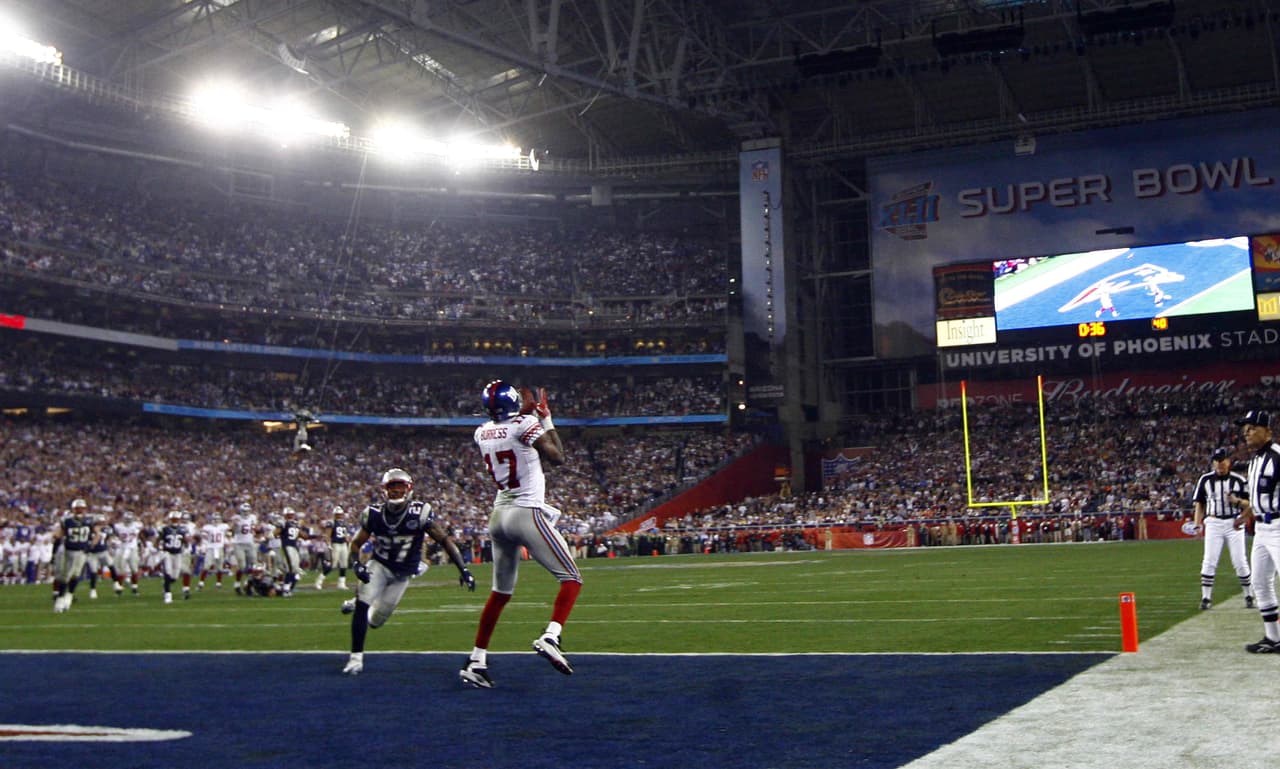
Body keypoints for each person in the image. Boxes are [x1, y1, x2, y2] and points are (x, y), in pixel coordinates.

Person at [459, 382, 583, 689]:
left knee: (500, 593)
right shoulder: (524, 425)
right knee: (571, 578)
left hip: (498, 515)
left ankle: (477, 660)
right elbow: (557, 457)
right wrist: (546, 420)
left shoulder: (481, 432)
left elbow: (506, 429)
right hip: (525, 511)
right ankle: (551, 635)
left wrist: (528, 416)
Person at [341, 468, 475, 676]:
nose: (395, 491)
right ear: (384, 490)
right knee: (363, 602)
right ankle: (355, 658)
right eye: (391, 486)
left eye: (399, 486)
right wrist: (357, 565)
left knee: (376, 621)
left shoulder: (420, 512)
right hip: (380, 566)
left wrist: (463, 569)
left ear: (409, 488)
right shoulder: (373, 514)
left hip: (402, 575)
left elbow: (444, 540)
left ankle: (358, 602)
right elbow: (356, 544)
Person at [1231, 409, 1280, 653]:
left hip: (1279, 525)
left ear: (1268, 431)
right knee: (1260, 581)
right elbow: (1257, 500)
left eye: (1252, 428)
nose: (1247, 433)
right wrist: (1244, 516)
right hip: (1261, 527)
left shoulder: (1277, 457)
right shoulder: (1255, 461)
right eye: (1245, 429)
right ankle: (1274, 638)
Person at [1191, 447, 1254, 609]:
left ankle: (1249, 595)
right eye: (1217, 461)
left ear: (1228, 461)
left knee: (1240, 561)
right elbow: (1200, 503)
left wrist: (1237, 503)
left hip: (1233, 522)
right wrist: (1197, 524)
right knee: (1209, 560)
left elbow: (1250, 504)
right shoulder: (1205, 480)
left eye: (1223, 460)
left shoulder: (1239, 480)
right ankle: (1206, 598)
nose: (1220, 464)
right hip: (1213, 522)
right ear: (1213, 463)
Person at [52, 499, 95, 613]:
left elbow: (97, 533)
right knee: (65, 576)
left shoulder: (89, 521)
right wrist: (55, 543)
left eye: (82, 508)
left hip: (82, 551)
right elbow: (58, 535)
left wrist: (91, 545)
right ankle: (60, 600)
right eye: (77, 508)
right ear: (73, 509)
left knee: (76, 575)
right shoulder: (67, 521)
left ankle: (69, 596)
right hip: (69, 551)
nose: (80, 510)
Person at [316, 505, 353, 591]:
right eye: (338, 514)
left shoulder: (344, 523)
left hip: (343, 544)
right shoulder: (331, 522)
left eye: (340, 514)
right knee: (333, 565)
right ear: (335, 514)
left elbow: (346, 535)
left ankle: (341, 583)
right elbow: (328, 534)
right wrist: (329, 544)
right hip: (335, 544)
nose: (339, 515)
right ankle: (319, 580)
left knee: (344, 564)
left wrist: (349, 541)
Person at [230, 502, 259, 594]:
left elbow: (256, 529)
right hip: (239, 544)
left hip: (250, 543)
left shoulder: (253, 517)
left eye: (247, 511)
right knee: (242, 565)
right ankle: (237, 584)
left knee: (254, 565)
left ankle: (248, 584)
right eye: (244, 511)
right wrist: (234, 525)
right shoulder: (236, 518)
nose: (246, 513)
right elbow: (232, 531)